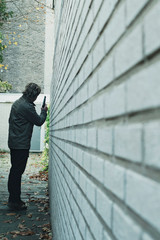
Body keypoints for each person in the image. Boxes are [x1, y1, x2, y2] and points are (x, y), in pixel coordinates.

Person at [7, 83, 48, 210]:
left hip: (14, 142)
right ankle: (15, 201)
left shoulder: (18, 103)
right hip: (21, 144)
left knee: (15, 171)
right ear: (33, 95)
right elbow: (39, 121)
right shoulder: (26, 107)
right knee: (17, 172)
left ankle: (13, 199)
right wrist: (43, 112)